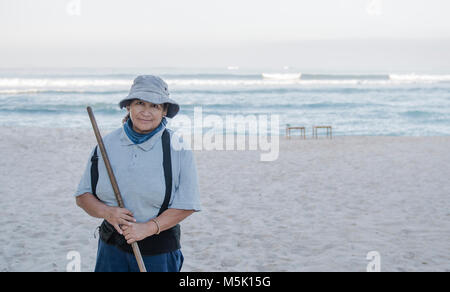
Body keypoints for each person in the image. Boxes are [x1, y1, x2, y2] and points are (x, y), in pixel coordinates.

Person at [74, 75, 201, 272]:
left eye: (155, 106)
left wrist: (148, 228)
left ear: (164, 111)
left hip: (158, 252)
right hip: (111, 249)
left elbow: (188, 204)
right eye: (140, 103)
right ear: (128, 107)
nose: (146, 112)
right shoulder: (106, 144)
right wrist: (107, 212)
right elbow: (83, 197)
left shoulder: (178, 148)